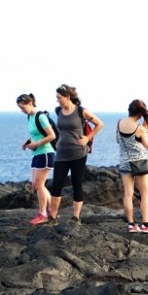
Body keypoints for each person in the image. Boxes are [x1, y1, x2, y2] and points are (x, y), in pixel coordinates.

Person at [47, 84, 101, 225]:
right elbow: (61, 130)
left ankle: (76, 216)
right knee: (56, 184)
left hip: (78, 153)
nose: (57, 100)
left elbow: (99, 124)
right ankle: (53, 217)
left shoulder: (81, 111)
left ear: (67, 97)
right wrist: (58, 141)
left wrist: (87, 138)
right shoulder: (58, 110)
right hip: (61, 154)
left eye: (59, 97)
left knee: (77, 183)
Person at [117, 99, 148, 233]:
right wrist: (144, 132)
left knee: (128, 194)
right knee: (145, 193)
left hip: (124, 162)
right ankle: (146, 225)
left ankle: (131, 225)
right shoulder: (139, 128)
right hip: (139, 162)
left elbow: (118, 140)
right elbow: (147, 144)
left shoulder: (119, 123)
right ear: (140, 114)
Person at [17, 92, 57, 224]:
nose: (22, 111)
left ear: (30, 103)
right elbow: (37, 134)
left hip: (45, 153)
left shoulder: (41, 116)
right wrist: (28, 141)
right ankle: (52, 210)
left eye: (23, 108)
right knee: (36, 184)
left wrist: (37, 144)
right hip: (36, 153)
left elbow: (51, 135)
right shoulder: (30, 117)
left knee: (38, 184)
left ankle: (42, 213)